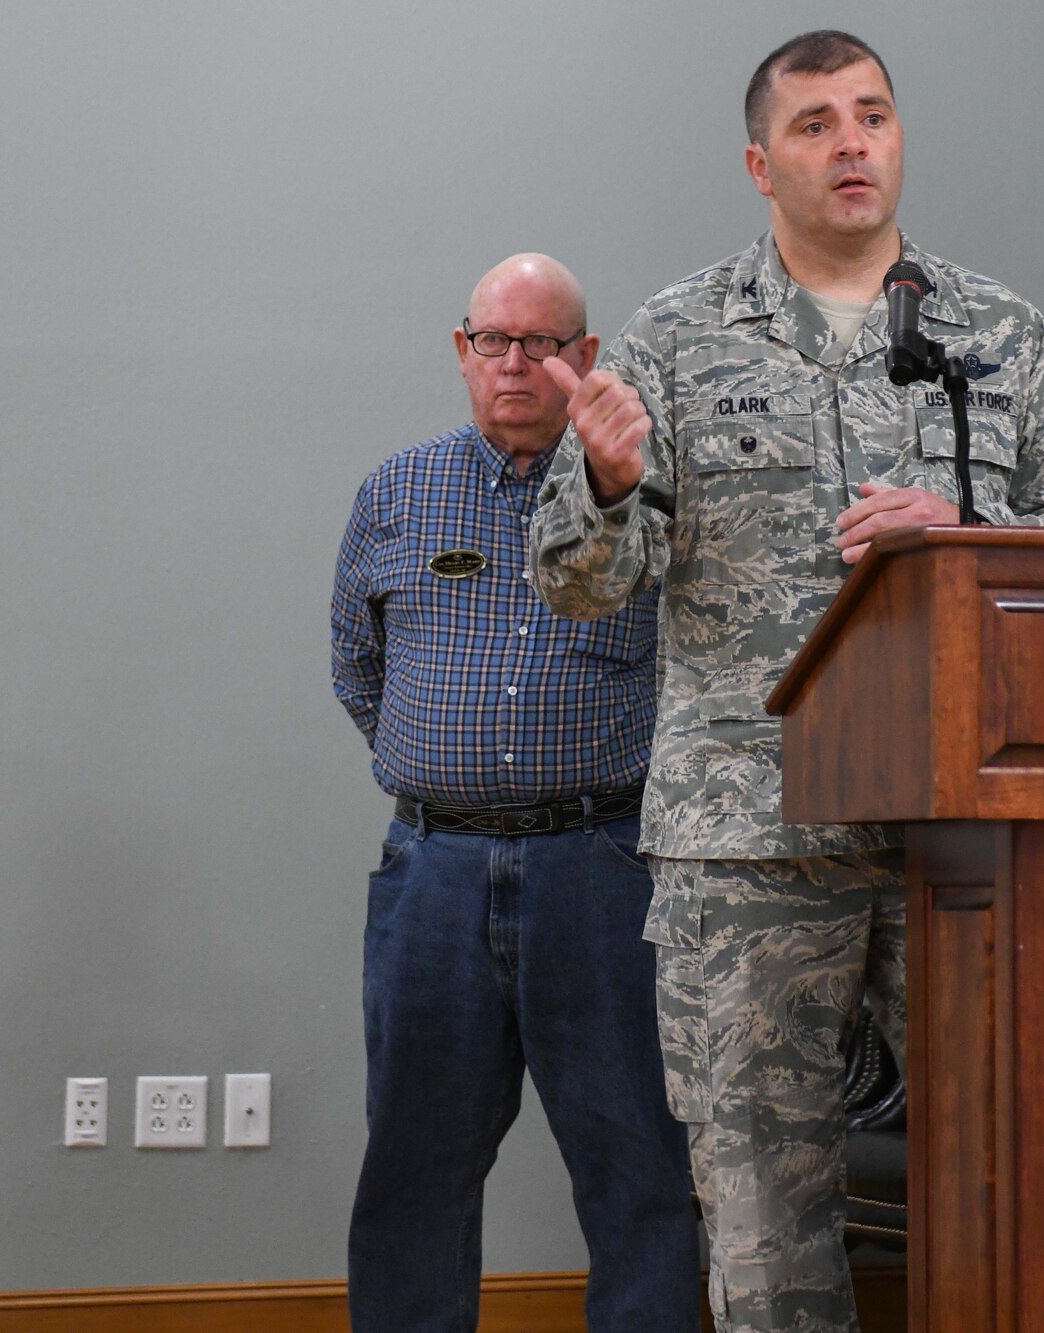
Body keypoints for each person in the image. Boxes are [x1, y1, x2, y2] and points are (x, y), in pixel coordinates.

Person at [529, 30, 1044, 1333]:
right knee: (761, 1215)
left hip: (964, 833)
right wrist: (610, 485)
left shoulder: (993, 328)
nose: (852, 141)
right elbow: (580, 583)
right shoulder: (681, 336)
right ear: (762, 163)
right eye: (815, 123)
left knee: (1012, 1182)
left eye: (872, 114)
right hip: (750, 833)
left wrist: (971, 536)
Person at [331, 254, 698, 1333]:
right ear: (462, 352)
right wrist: (445, 775)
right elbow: (358, 665)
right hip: (432, 874)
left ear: (585, 358)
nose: (516, 363)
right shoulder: (397, 491)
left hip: (602, 868)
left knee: (637, 1162)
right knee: (412, 1165)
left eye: (543, 343)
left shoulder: (643, 496)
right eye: (494, 339)